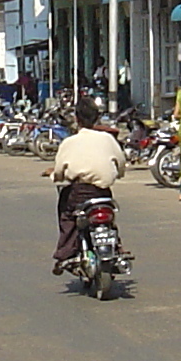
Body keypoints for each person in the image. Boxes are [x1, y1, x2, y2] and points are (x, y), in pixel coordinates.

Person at [46, 99, 125, 271]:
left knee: (67, 215)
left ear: (76, 119)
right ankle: (117, 247)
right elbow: (121, 162)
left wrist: (55, 176)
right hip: (102, 192)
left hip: (79, 192)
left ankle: (66, 252)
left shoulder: (69, 142)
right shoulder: (108, 139)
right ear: (97, 118)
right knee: (110, 221)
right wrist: (119, 173)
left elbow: (59, 171)